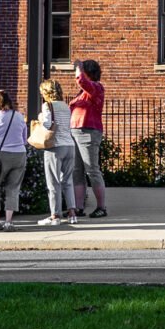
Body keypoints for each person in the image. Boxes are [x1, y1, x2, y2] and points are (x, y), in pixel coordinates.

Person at [34, 76, 78, 226]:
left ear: (46, 92)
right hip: (70, 145)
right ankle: (72, 213)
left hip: (55, 147)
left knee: (53, 182)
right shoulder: (66, 106)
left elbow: (46, 124)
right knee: (67, 181)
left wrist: (39, 117)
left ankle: (55, 215)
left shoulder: (48, 106)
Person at [69, 58, 109, 217]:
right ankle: (78, 208)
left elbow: (82, 82)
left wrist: (79, 67)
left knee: (92, 170)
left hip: (88, 132)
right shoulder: (84, 93)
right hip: (76, 131)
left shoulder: (96, 88)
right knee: (76, 171)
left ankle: (101, 207)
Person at [0, 88, 28, 225]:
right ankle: (8, 221)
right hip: (20, 154)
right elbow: (25, 139)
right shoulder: (19, 116)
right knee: (13, 188)